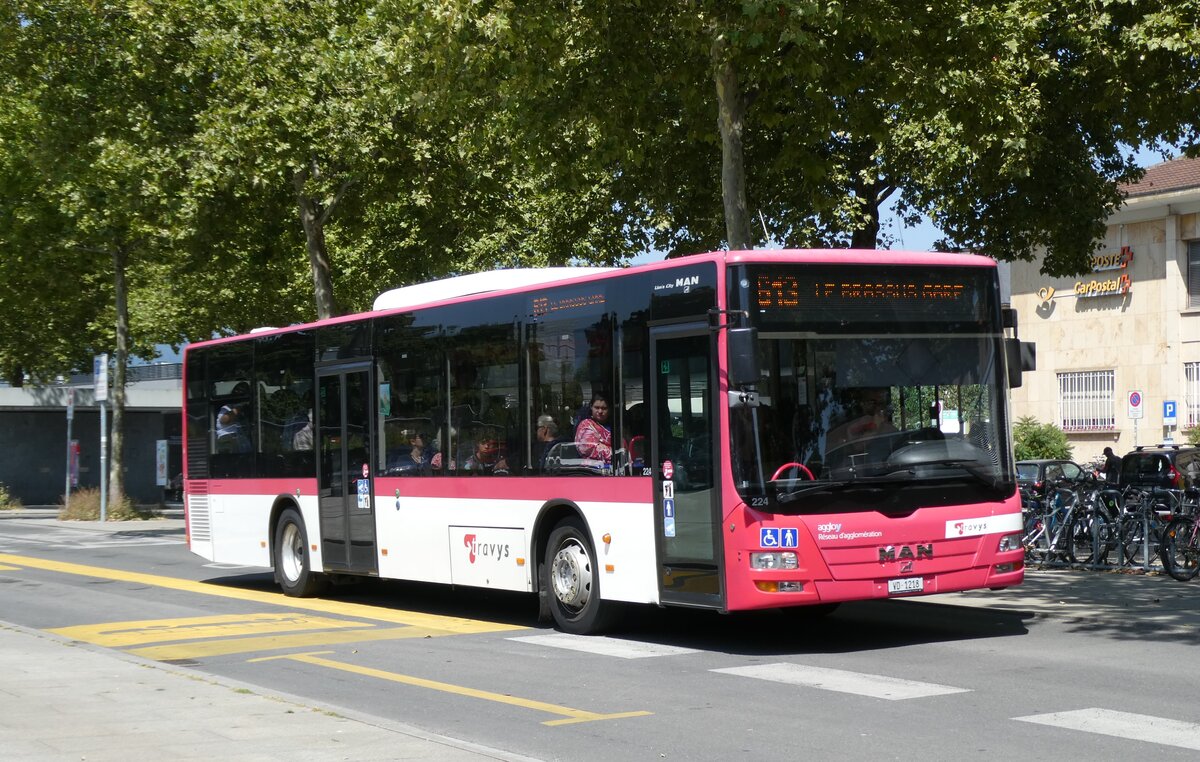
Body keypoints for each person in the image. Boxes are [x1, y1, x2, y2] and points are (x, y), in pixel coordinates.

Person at [575, 393, 613, 469]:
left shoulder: (616, 426)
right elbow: (588, 448)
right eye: (597, 407)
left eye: (604, 408)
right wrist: (613, 451)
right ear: (591, 407)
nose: (600, 411)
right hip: (592, 471)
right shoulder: (586, 425)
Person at [215, 382, 252, 453]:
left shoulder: (248, 410)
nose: (238, 392)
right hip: (226, 438)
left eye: (242, 391)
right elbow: (224, 420)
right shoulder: (227, 407)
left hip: (241, 439)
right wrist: (239, 407)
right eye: (237, 390)